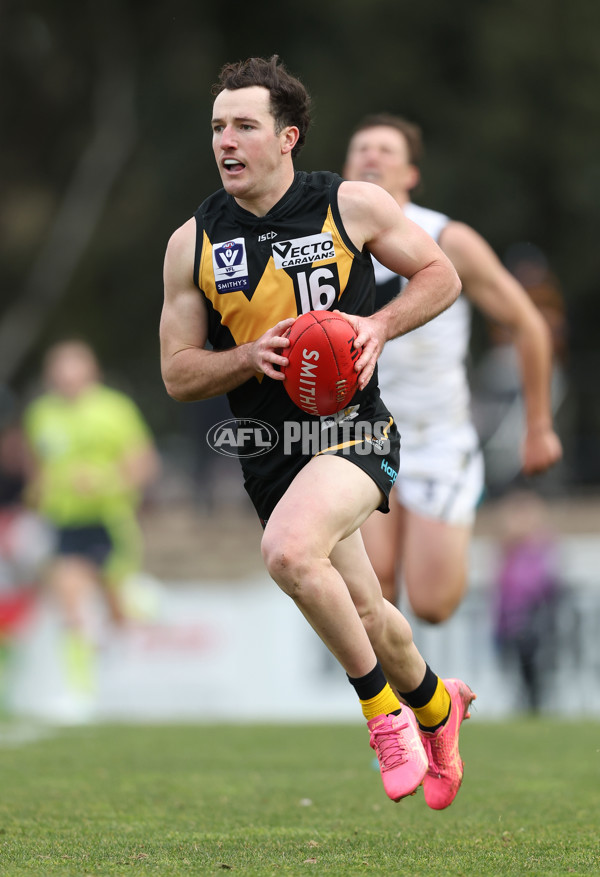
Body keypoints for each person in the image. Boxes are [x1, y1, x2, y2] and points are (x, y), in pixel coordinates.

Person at [160, 55, 475, 810]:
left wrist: (377, 323)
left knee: (288, 551)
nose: (225, 141)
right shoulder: (193, 242)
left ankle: (383, 717)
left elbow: (442, 276)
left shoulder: (350, 205)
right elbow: (176, 373)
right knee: (369, 611)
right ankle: (437, 705)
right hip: (272, 455)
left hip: (354, 431)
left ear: (287, 137)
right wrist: (244, 356)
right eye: (216, 128)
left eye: (244, 125)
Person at [343, 114, 563, 623]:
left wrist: (538, 426)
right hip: (363, 434)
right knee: (374, 589)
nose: (372, 157)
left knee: (433, 603)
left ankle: (424, 695)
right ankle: (403, 703)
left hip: (438, 436)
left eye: (386, 150)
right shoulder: (325, 241)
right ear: (347, 166)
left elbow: (529, 325)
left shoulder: (447, 237)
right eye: (362, 150)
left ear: (411, 174)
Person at [22, 340, 160, 719]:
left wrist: (104, 481)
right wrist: (37, 497)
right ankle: (79, 693)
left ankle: (141, 606)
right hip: (64, 521)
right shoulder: (41, 414)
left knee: (117, 607)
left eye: (75, 367)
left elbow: (144, 464)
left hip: (109, 520)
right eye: (60, 369)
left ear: (90, 371)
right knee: (69, 598)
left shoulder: (114, 409)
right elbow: (37, 467)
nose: (67, 377)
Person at [492, 489, 562, 713]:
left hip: (534, 626)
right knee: (520, 678)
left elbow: (542, 585)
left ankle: (535, 709)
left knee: (534, 678)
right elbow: (502, 596)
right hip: (511, 627)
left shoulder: (540, 549)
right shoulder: (507, 552)